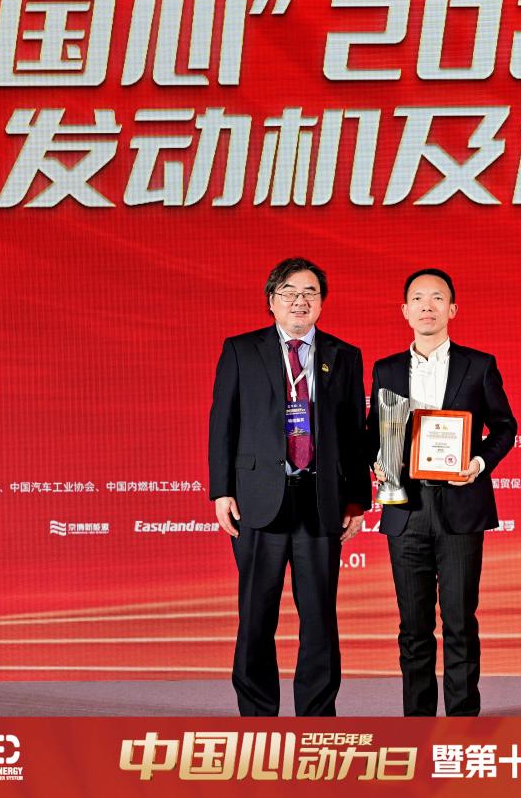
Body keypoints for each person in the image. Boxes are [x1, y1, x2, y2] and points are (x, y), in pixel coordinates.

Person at [208, 257, 370, 716]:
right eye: (290, 293)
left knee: (319, 618)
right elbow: (223, 421)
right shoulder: (241, 350)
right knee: (255, 615)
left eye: (310, 293)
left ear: (321, 302)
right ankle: (257, 715)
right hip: (257, 501)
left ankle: (317, 716)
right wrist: (221, 490)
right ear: (272, 301)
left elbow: (353, 432)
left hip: (321, 501)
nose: (300, 301)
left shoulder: (343, 354)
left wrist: (357, 499)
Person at [367, 269, 517, 716]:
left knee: (459, 622)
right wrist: (376, 460)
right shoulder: (386, 369)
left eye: (437, 298)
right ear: (405, 310)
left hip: (460, 505)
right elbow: (374, 431)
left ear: (452, 309)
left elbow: (505, 427)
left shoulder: (479, 364)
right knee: (413, 627)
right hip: (405, 507)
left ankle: (462, 724)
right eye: (418, 298)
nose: (427, 306)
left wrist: (479, 464)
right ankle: (417, 723)